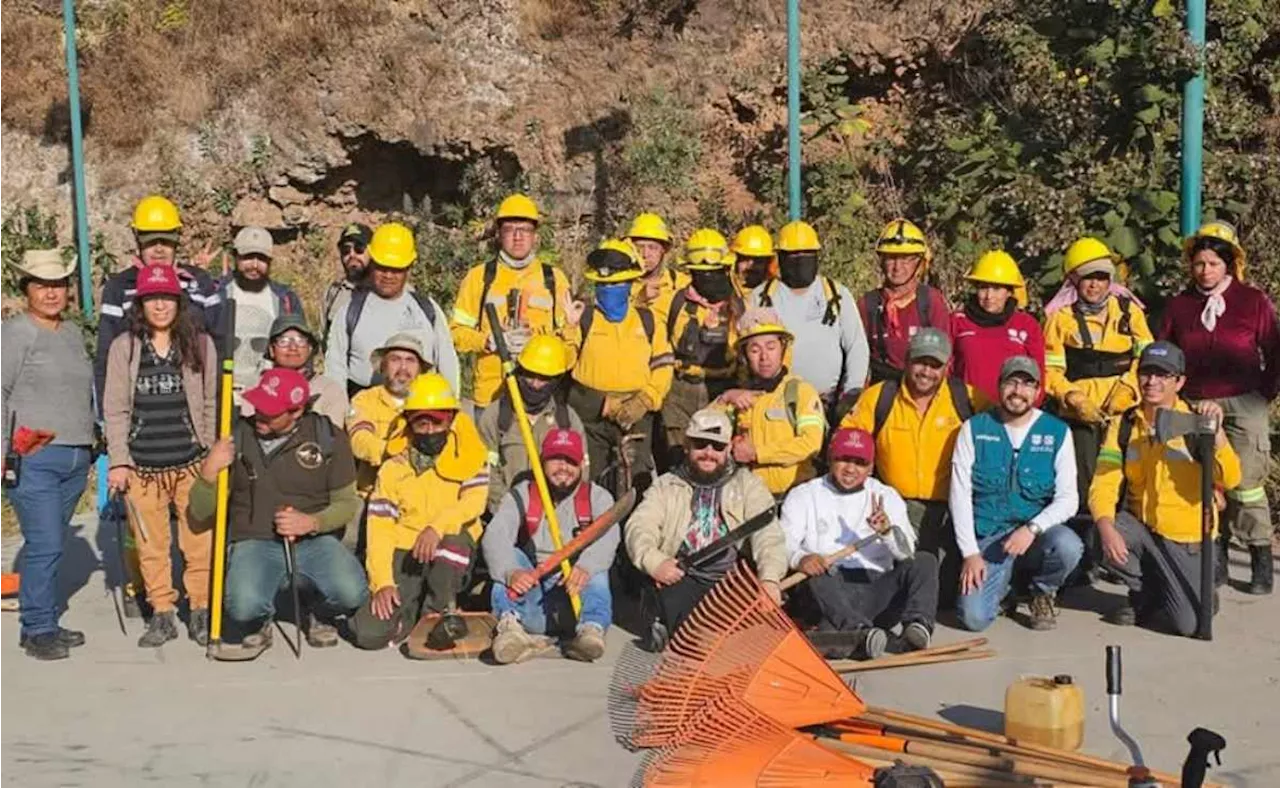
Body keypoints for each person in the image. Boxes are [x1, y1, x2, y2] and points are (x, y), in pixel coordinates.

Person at [192, 369, 367, 659]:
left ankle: (318, 610)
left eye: (270, 412)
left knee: (352, 592)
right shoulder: (235, 435)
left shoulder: (329, 437)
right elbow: (200, 511)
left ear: (297, 410)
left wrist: (312, 522)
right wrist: (209, 472)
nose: (260, 415)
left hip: (314, 539)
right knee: (242, 605)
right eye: (258, 406)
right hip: (254, 540)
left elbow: (347, 504)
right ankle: (261, 620)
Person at [1157, 221, 1280, 594]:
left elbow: (1274, 350)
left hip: (1244, 401)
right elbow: (1164, 352)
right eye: (1199, 264)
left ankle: (1259, 555)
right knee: (1204, 483)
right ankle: (1217, 555)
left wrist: (1263, 394)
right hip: (1193, 401)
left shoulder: (1252, 300)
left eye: (1213, 263)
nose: (1206, 270)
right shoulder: (1180, 306)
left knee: (1246, 482)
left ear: (1228, 264)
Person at [1088, 341, 1241, 635]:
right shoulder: (1124, 424)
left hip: (1186, 541)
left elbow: (1231, 478)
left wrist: (1216, 433)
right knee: (1097, 533)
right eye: (1146, 373)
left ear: (1180, 381)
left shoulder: (1197, 422)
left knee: (1187, 625)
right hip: (1142, 529)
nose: (1152, 382)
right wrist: (1106, 527)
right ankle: (1144, 593)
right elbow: (1104, 480)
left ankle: (1191, 592)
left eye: (1163, 375)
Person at [102, 263, 218, 648]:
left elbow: (211, 401)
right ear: (141, 304)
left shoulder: (200, 344)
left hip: (190, 462)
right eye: (152, 299)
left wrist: (210, 451)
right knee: (151, 544)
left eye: (167, 298)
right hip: (142, 466)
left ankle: (200, 609)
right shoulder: (125, 348)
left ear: (178, 301)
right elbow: (116, 408)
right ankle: (163, 613)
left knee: (198, 539)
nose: (160, 306)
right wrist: (118, 460)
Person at [840, 329, 984, 602]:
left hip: (951, 511)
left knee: (946, 596)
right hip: (897, 508)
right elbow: (847, 439)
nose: (926, 371)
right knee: (900, 588)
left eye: (935, 365)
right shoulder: (880, 396)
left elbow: (1001, 430)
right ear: (906, 360)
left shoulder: (967, 398)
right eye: (920, 362)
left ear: (947, 366)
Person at [350, 373, 489, 651]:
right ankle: (410, 617)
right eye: (420, 422)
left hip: (448, 547)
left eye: (436, 421)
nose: (428, 430)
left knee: (455, 542)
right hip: (406, 550)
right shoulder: (393, 467)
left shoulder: (472, 455)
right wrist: (382, 583)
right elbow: (380, 528)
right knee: (368, 634)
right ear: (409, 423)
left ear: (450, 419)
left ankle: (438, 613)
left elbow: (474, 504)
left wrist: (436, 527)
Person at [0, 250, 94, 660]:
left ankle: (46, 617)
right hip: (33, 455)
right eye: (42, 285)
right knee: (47, 543)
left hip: (75, 456)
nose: (52, 293)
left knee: (50, 543)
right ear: (26, 290)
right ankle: (36, 628)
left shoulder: (72, 334)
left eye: (58, 285)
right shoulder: (16, 333)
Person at [624, 408, 787, 641]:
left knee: (757, 632)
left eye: (717, 446)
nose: (709, 453)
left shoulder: (748, 485)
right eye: (701, 444)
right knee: (691, 633)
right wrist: (655, 562)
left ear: (729, 449)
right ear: (687, 445)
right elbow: (640, 526)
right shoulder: (666, 485)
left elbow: (768, 536)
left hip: (733, 579)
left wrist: (769, 579)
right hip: (682, 575)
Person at [950, 356, 1082, 632]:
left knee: (1069, 545)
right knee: (973, 619)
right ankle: (1007, 588)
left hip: (1035, 536)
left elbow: (1069, 500)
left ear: (1037, 391)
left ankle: (1042, 591)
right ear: (999, 386)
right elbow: (959, 495)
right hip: (990, 537)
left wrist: (1032, 528)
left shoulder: (1057, 432)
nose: (1018, 391)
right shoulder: (974, 429)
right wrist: (970, 553)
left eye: (1026, 384)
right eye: (1011, 382)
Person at [781, 428, 938, 659]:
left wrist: (887, 532)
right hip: (830, 588)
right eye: (843, 459)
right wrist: (801, 559)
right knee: (817, 577)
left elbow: (907, 554)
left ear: (871, 467)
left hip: (875, 587)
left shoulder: (887, 496)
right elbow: (783, 543)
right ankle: (858, 634)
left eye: (860, 462)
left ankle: (917, 627)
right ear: (830, 459)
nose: (850, 469)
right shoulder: (804, 495)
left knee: (925, 561)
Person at [1043, 238, 1153, 525]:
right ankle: (1085, 557)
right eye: (1087, 278)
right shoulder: (1060, 319)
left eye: (1101, 278)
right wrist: (1073, 398)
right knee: (1083, 485)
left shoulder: (1130, 313)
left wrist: (1128, 390)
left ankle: (1121, 553)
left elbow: (1146, 359)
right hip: (1081, 416)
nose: (1094, 285)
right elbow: (1050, 370)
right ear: (1074, 281)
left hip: (1123, 412)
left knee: (1125, 482)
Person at [483, 428, 618, 664]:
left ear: (581, 465)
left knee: (597, 571)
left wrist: (585, 566)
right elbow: (495, 535)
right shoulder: (522, 494)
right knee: (509, 558)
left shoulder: (598, 497)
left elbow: (608, 537)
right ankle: (510, 630)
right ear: (542, 461)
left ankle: (591, 631)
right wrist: (511, 572)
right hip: (532, 596)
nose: (563, 468)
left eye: (570, 461)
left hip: (572, 598)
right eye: (556, 459)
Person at [448, 194, 579, 409]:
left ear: (535, 235)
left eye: (525, 230)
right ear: (499, 234)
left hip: (540, 397)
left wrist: (542, 350)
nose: (518, 237)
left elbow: (570, 348)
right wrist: (490, 341)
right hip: (492, 396)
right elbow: (455, 333)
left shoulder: (554, 280)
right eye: (510, 230)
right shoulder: (479, 278)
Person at [568, 239, 674, 494]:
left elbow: (663, 364)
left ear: (629, 285)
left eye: (616, 284)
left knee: (635, 486)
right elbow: (564, 369)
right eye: (603, 285)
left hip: (637, 417)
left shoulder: (648, 321)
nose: (610, 290)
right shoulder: (584, 318)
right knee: (590, 487)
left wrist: (647, 399)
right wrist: (567, 328)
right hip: (591, 419)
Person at [95, 195, 222, 405]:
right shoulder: (119, 287)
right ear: (137, 240)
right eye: (151, 241)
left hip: (195, 400)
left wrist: (217, 401)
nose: (159, 249)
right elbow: (105, 354)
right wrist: (105, 410)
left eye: (166, 240)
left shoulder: (199, 282)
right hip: (139, 402)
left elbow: (220, 342)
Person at [324, 222, 459, 398]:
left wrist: (450, 405)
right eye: (382, 267)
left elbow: (447, 361)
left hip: (419, 406)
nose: (388, 275)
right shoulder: (350, 311)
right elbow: (335, 368)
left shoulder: (427, 309)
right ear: (371, 264)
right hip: (366, 407)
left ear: (409, 268)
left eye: (396, 269)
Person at [750, 221, 869, 416]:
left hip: (827, 404)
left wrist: (852, 391)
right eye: (793, 255)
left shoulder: (836, 294)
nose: (799, 260)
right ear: (780, 257)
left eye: (806, 254)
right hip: (774, 404)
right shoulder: (760, 298)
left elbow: (856, 346)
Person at [715, 309, 825, 498]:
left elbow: (811, 443)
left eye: (771, 347)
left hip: (794, 497)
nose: (764, 357)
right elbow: (702, 430)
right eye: (755, 350)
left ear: (783, 349)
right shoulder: (738, 397)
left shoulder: (801, 392)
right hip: (750, 498)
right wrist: (724, 399)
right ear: (744, 355)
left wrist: (757, 453)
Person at [658, 228, 741, 470]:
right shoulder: (673, 302)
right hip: (680, 393)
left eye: (714, 272)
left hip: (723, 392)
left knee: (717, 462)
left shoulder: (740, 304)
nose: (708, 278)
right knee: (678, 461)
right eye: (701, 273)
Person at [477, 334, 586, 514]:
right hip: (507, 515)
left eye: (543, 378)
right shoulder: (495, 416)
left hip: (555, 518)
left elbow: (580, 473)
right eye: (529, 376)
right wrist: (510, 512)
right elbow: (486, 474)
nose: (535, 384)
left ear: (556, 380)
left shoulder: (567, 420)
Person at [345, 334, 428, 549]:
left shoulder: (432, 400)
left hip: (419, 498)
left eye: (410, 360)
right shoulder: (365, 400)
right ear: (382, 366)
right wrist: (391, 451)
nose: (403, 367)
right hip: (370, 494)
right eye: (395, 359)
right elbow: (359, 440)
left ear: (420, 369)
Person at [858, 219, 951, 385]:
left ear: (920, 263)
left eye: (906, 259)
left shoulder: (931, 302)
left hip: (924, 391)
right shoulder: (868, 305)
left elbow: (946, 358)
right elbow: (856, 360)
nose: (897, 267)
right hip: (881, 394)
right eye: (890, 259)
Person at [218, 226, 305, 399]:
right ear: (236, 256)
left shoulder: (285, 299)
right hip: (223, 393)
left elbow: (301, 347)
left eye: (262, 258)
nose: (255, 265)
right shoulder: (217, 294)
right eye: (248, 257)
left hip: (270, 396)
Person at [950, 250, 1045, 404]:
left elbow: (1039, 376)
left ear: (1009, 292)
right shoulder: (957, 321)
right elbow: (946, 370)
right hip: (965, 411)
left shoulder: (1027, 325)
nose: (989, 296)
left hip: (1012, 412)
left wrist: (1024, 415)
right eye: (983, 288)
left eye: (996, 288)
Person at [249, 314, 347, 428]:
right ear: (271, 349)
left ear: (310, 348)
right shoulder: (255, 386)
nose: (293, 347)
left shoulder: (329, 389)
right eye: (283, 341)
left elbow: (333, 436)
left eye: (300, 340)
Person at [626, 212, 686, 330]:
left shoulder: (681, 283)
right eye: (639, 247)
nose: (645, 254)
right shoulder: (619, 285)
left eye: (652, 248)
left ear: (663, 250)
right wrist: (639, 300)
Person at [322, 222, 372, 337]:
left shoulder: (386, 290)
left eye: (359, 249)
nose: (352, 255)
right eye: (345, 250)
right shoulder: (333, 293)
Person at [730, 224, 775, 298]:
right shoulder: (722, 295)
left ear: (767, 263)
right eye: (745, 258)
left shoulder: (778, 295)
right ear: (735, 260)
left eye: (758, 260)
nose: (751, 265)